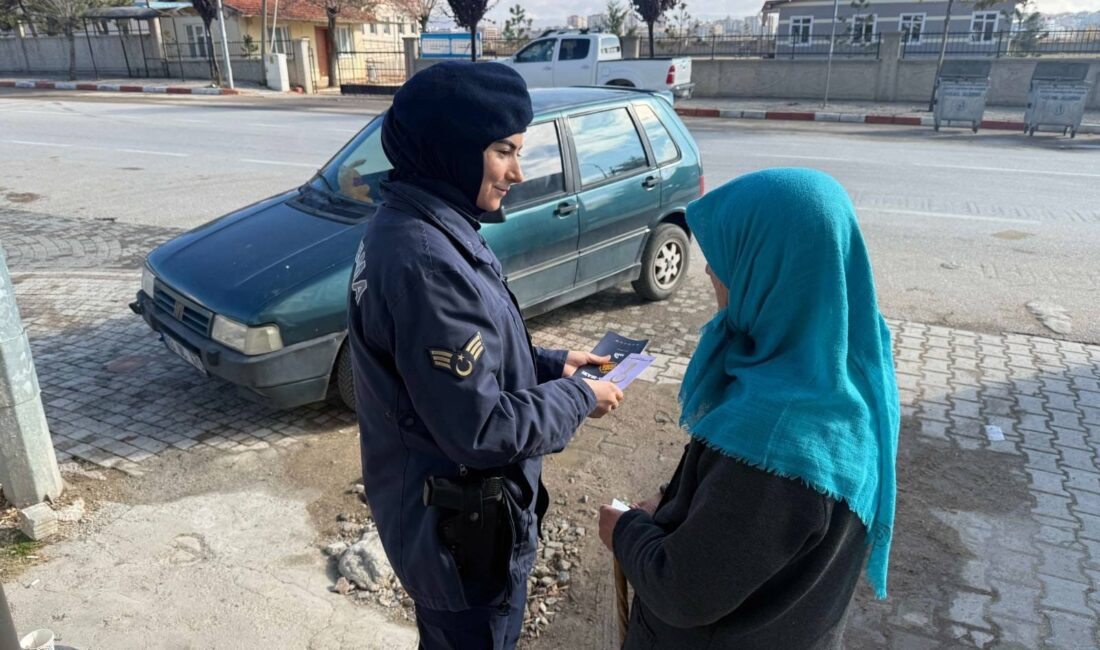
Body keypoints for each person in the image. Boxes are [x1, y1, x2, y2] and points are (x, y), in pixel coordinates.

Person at [347, 61, 624, 650]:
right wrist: (578, 397)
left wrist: (551, 365)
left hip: (445, 524)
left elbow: (458, 364)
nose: (518, 172)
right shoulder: (426, 261)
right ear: (452, 148)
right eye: (503, 151)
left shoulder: (424, 220)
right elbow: (481, 427)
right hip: (458, 542)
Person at [598, 168, 900, 649]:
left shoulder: (777, 437)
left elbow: (684, 592)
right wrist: (674, 501)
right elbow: (748, 525)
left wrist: (625, 532)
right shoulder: (847, 378)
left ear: (770, 270)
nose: (709, 273)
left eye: (727, 256)